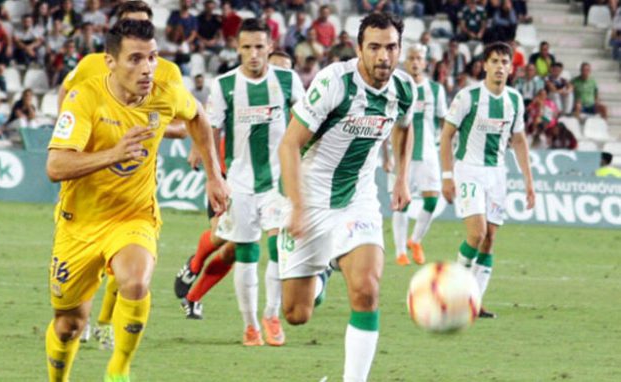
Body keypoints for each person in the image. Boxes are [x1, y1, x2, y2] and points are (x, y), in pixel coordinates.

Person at [44, 19, 228, 382]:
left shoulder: (165, 91)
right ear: (110, 62)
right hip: (79, 223)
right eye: (135, 59)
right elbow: (55, 165)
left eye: (153, 57)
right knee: (68, 324)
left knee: (135, 281)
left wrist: (214, 174)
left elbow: (198, 117)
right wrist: (114, 153)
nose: (147, 68)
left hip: (133, 216)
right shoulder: (85, 98)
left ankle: (118, 370)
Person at [278, 12, 414, 382]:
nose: (383, 56)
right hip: (311, 200)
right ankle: (323, 269)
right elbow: (289, 144)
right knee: (296, 313)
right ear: (359, 49)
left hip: (359, 200)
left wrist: (402, 177)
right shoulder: (333, 83)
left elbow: (404, 128)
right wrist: (298, 206)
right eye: (374, 47)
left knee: (367, 290)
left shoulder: (404, 89)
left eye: (391, 47)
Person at [175, 18, 305, 347]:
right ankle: (250, 326)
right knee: (245, 253)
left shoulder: (288, 81)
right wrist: (207, 167)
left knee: (278, 249)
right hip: (240, 184)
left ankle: (271, 316)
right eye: (246, 47)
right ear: (237, 48)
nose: (253, 54)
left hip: (278, 182)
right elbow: (209, 127)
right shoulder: (225, 85)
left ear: (270, 47)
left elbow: (308, 124)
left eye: (259, 47)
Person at [440, 42, 535, 319]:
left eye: (505, 62)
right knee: (477, 233)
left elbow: (519, 140)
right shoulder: (467, 97)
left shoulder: (515, 100)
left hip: (497, 174)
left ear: (511, 67)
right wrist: (447, 176)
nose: (500, 67)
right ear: (484, 65)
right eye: (494, 61)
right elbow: (446, 135)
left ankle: (475, 301)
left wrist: (529, 182)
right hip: (469, 169)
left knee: (490, 239)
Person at [392, 43, 447, 266]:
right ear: (406, 61)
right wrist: (387, 158)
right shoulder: (397, 87)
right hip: (401, 154)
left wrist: (441, 143)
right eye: (412, 58)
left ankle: (415, 240)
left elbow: (444, 119)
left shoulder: (436, 90)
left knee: (432, 200)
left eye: (419, 58)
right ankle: (400, 252)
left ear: (425, 63)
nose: (415, 62)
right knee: (401, 202)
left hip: (428, 153)